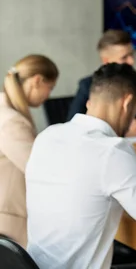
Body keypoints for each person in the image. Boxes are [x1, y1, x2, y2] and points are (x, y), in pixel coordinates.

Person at [26, 63, 136, 269]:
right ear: (127, 103)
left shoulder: (47, 136)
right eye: (135, 111)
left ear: (89, 102)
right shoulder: (113, 151)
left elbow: (87, 179)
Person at [0, 55, 58, 246]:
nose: (48, 95)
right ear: (37, 81)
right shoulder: (11, 121)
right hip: (8, 220)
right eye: (50, 88)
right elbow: (39, 170)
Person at [67, 29, 136, 136]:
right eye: (124, 57)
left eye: (131, 55)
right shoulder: (87, 85)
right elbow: (72, 126)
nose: (131, 61)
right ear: (106, 61)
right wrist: (125, 130)